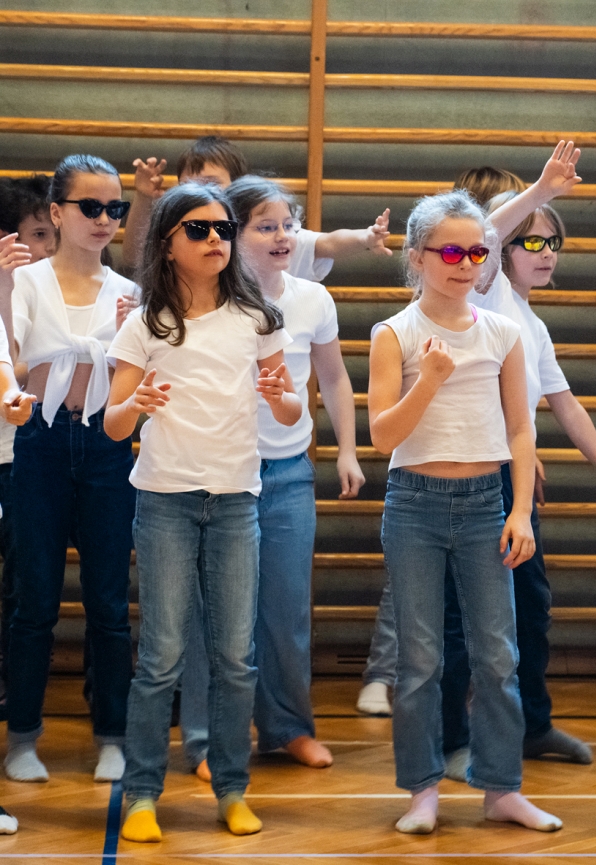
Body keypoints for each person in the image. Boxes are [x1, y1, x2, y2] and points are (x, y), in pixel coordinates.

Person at [105, 182, 300, 842]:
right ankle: (141, 794)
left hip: (236, 500)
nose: (215, 238)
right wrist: (138, 406)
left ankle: (232, 789)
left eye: (222, 227)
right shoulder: (146, 322)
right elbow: (110, 423)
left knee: (234, 657)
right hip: (164, 501)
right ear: (167, 242)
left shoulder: (258, 317)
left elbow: (294, 408)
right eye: (198, 229)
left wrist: (281, 397)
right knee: (160, 654)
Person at [367, 190, 560, 835]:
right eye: (451, 250)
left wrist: (522, 512)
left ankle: (501, 787)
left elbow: (522, 432)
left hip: (486, 504)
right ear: (418, 257)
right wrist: (430, 379)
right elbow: (384, 438)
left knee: (497, 656)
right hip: (415, 505)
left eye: (478, 250)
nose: (466, 262)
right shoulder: (393, 334)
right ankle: (422, 789)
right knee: (420, 659)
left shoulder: (505, 333)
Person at [435, 142, 596, 772]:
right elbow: (485, 233)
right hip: (462, 478)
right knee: (464, 619)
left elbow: (567, 406)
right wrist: (541, 190)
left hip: (510, 484)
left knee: (531, 605)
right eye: (533, 242)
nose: (547, 254)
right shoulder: (481, 287)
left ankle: (530, 726)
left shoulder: (529, 326)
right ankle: (453, 739)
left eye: (554, 244)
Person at [174, 176, 365, 780]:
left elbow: (333, 379)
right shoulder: (207, 302)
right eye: (266, 225)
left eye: (289, 224)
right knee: (216, 617)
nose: (283, 236)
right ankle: (206, 740)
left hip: (287, 475)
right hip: (221, 477)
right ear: (233, 234)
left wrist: (347, 451)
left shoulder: (313, 300)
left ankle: (288, 728)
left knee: (285, 611)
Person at [6, 155, 138, 785]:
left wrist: (125, 345)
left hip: (107, 442)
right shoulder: (27, 281)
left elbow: (140, 378)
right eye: (91, 207)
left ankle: (112, 731)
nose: (104, 219)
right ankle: (23, 736)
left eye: (116, 208)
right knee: (34, 597)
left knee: (109, 599)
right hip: (39, 439)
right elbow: (13, 361)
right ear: (57, 213)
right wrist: (2, 291)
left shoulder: (127, 292)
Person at [122, 136, 392, 279]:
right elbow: (136, 259)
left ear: (238, 184)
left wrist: (365, 237)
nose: (201, 194)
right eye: (188, 186)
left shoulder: (273, 233)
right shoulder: (187, 238)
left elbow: (327, 242)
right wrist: (145, 198)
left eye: (212, 184)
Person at [0, 174, 54, 715]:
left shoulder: (52, 290)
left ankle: (15, 700)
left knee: (23, 589)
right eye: (37, 235)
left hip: (23, 456)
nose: (47, 248)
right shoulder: (12, 289)